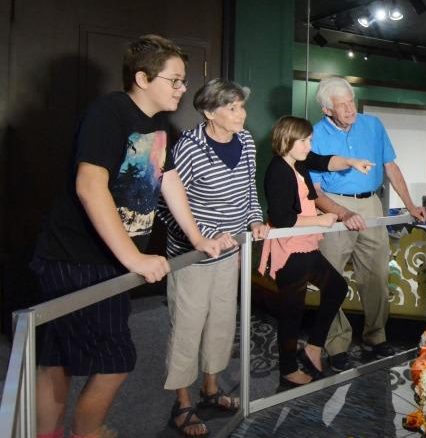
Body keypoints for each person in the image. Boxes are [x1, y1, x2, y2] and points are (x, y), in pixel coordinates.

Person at [31, 35, 225, 438]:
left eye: (182, 80)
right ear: (142, 78)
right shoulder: (110, 112)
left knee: (60, 357)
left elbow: (169, 181)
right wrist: (134, 259)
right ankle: (88, 431)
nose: (182, 88)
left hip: (107, 263)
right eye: (174, 80)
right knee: (111, 359)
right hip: (76, 258)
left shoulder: (157, 125)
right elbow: (89, 185)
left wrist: (197, 238)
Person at [155, 78, 265, 436]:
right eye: (231, 108)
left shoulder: (246, 141)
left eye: (241, 106)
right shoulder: (188, 147)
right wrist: (198, 239)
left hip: (230, 251)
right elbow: (165, 202)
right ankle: (183, 404)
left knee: (220, 322)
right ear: (208, 112)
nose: (240, 114)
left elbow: (249, 188)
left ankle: (211, 389)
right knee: (188, 327)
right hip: (192, 257)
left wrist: (255, 219)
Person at [309, 77, 426, 372]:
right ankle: (336, 343)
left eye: (352, 101)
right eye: (342, 105)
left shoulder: (372, 125)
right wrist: (343, 214)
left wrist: (411, 204)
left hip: (371, 204)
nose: (351, 109)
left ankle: (376, 336)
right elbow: (316, 191)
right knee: (332, 281)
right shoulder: (314, 135)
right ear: (327, 110)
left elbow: (390, 167)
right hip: (334, 208)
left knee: (376, 275)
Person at [259, 116, 368, 388]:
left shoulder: (299, 162)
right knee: (291, 313)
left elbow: (325, 161)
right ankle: (287, 370)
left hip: (305, 245)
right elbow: (282, 218)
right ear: (288, 140)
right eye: (305, 140)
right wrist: (320, 220)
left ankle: (314, 347)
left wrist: (352, 162)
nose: (310, 145)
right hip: (289, 251)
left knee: (337, 288)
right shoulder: (277, 170)